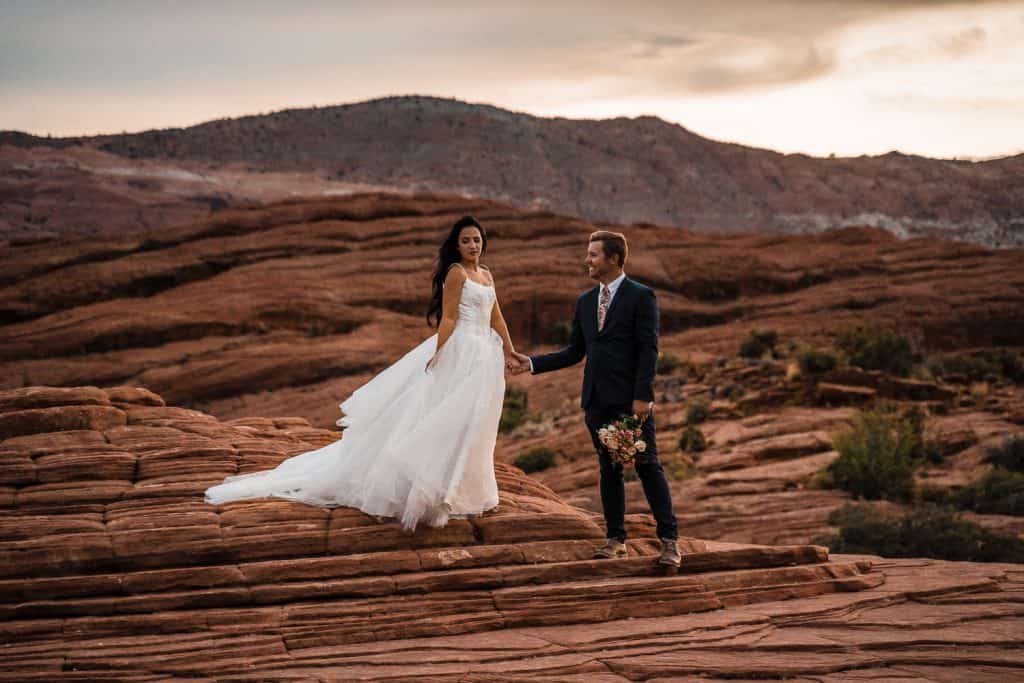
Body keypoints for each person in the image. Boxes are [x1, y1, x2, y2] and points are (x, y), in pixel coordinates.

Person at [205, 216, 520, 532]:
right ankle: (434, 492)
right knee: (443, 420)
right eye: (466, 240)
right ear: (457, 245)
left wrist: (509, 349)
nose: (472, 245)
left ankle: (463, 491)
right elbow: (449, 317)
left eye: (477, 240)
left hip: (483, 356)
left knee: (473, 423)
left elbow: (496, 316)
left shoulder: (486, 275)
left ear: (483, 242)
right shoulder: (456, 273)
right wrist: (441, 352)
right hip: (460, 350)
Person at [509, 231, 681, 568]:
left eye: (593, 255)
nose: (586, 260)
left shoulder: (641, 296)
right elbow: (575, 352)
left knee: (648, 467)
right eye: (587, 254)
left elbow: (649, 349)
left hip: (631, 401)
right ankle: (615, 540)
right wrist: (530, 363)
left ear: (614, 259)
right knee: (609, 468)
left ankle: (670, 543)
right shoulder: (585, 302)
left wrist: (643, 396)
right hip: (596, 401)